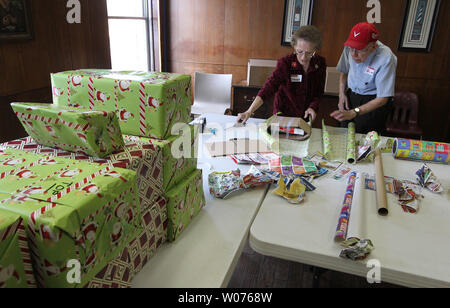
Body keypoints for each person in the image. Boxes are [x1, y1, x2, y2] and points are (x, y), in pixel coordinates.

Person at [237, 25, 326, 124]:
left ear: (315, 50)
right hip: (283, 115)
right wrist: (249, 111)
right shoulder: (286, 63)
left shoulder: (320, 63)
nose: (303, 58)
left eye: (309, 53)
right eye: (299, 51)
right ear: (294, 46)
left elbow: (319, 92)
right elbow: (268, 88)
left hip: (305, 116)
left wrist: (312, 107)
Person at [330, 22, 397, 134]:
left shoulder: (386, 57)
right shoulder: (350, 46)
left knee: (364, 137)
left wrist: (355, 112)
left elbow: (383, 98)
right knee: (343, 131)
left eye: (360, 50)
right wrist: (341, 94)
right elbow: (344, 71)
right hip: (352, 95)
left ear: (373, 46)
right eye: (352, 49)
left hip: (373, 100)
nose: (353, 54)